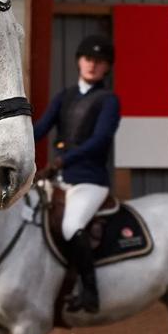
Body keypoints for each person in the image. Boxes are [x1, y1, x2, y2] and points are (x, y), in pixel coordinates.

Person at [32, 34, 121, 313]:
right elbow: (41, 128)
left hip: (90, 181)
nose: (92, 65)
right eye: (88, 59)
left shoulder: (108, 101)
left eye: (99, 61)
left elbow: (100, 140)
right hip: (59, 180)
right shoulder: (65, 96)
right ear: (78, 61)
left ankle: (90, 291)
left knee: (71, 227)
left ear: (107, 67)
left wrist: (62, 160)